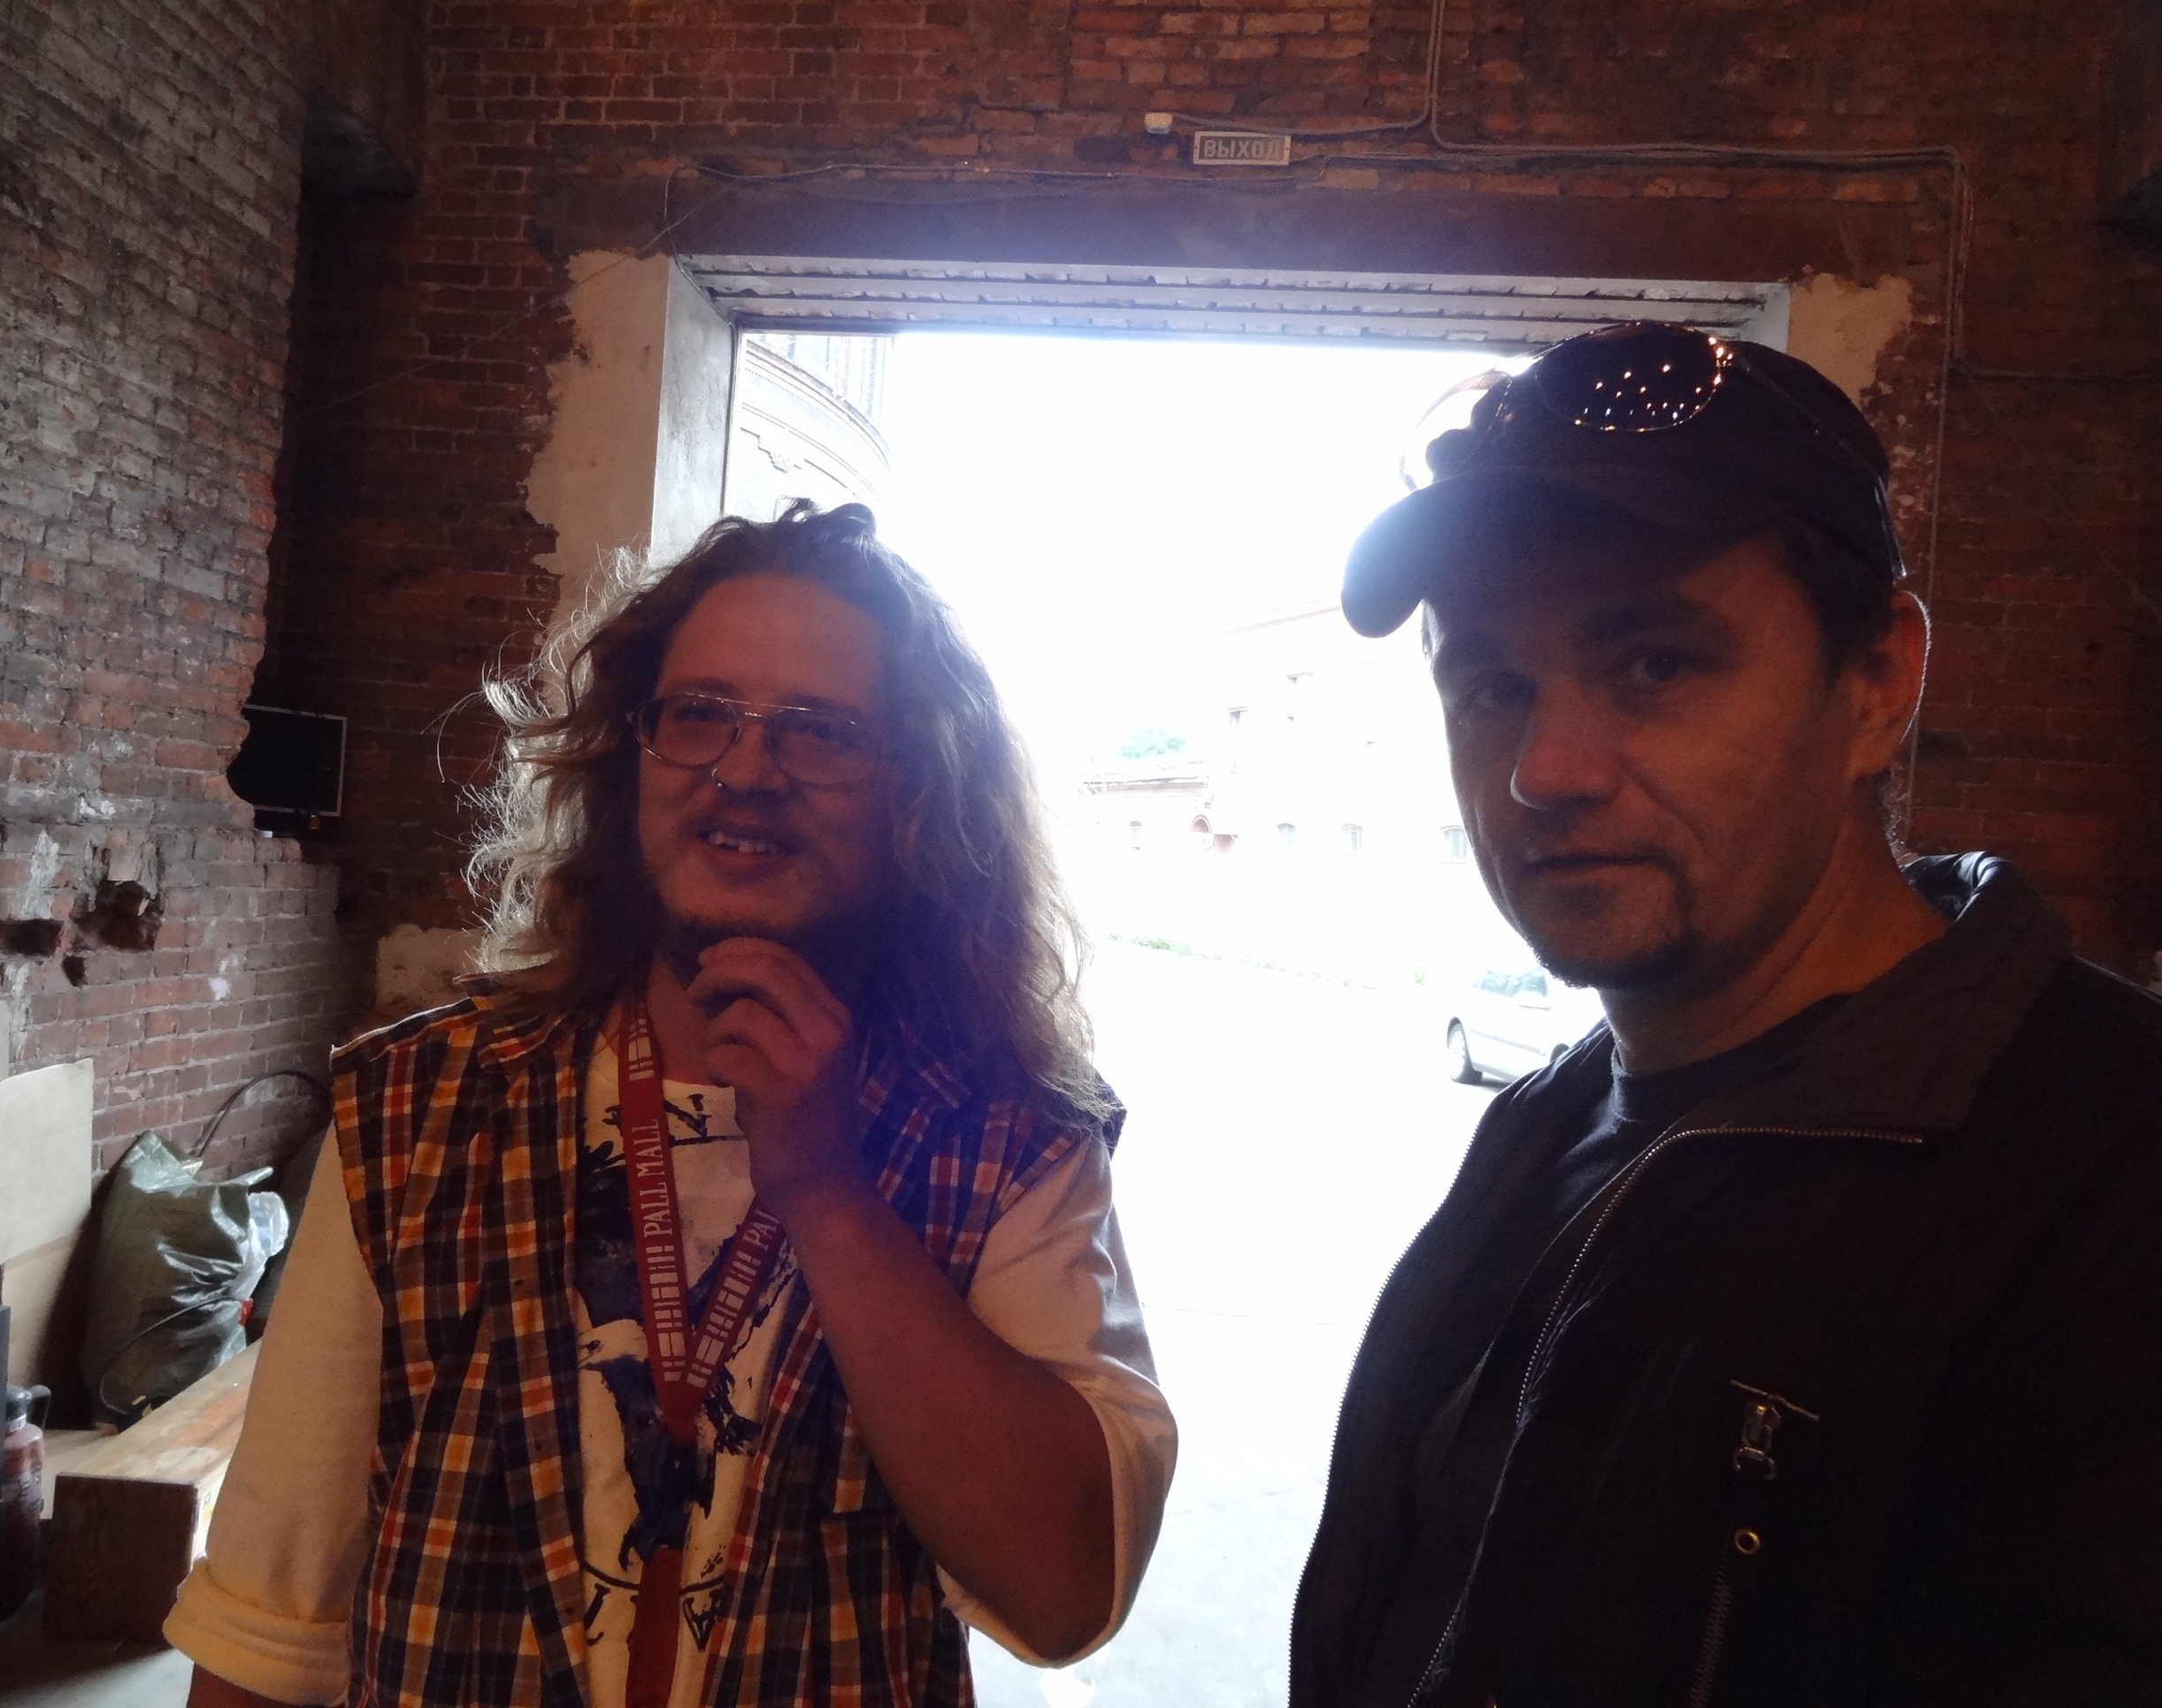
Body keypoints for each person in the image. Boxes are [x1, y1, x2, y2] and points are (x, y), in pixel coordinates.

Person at [166, 502, 1175, 1708]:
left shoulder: (1009, 1139)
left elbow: (1065, 1591)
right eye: (700, 714)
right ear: (627, 757)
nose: (745, 771)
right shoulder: (418, 1112)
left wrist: (830, 1197)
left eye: (820, 732)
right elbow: (268, 1621)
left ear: (918, 795)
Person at [1292, 322, 2162, 1706]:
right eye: (1493, 687)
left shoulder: (2106, 1186)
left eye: (1655, 664)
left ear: (1876, 683)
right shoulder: (1548, 1121)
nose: (1544, 770)